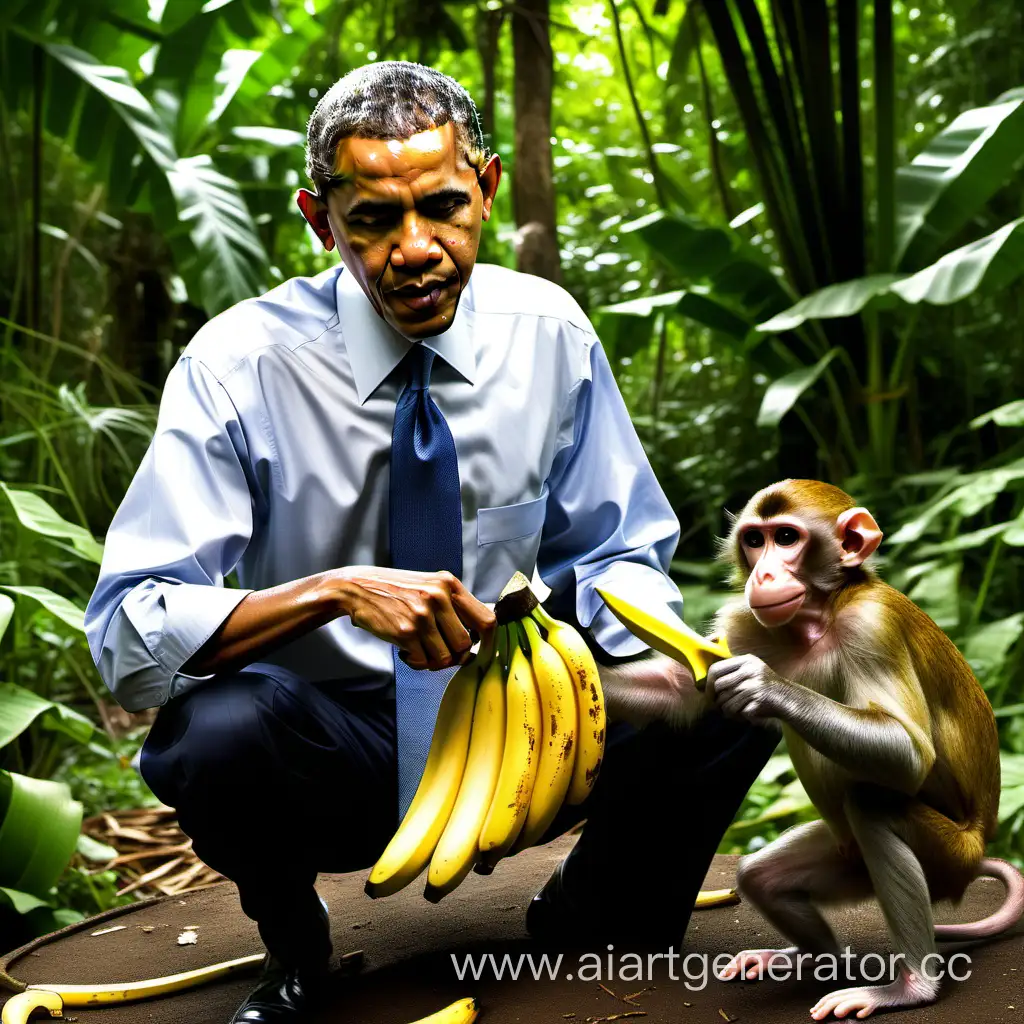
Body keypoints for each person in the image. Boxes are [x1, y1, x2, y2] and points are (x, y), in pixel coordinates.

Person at [84, 61, 778, 1024]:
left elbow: (617, 549)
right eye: (371, 220)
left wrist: (648, 652)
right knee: (215, 733)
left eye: (445, 206)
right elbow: (126, 630)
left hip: (523, 733)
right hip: (332, 748)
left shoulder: (551, 334)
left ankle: (596, 916)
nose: (416, 249)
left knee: (737, 685)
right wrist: (332, 591)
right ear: (321, 220)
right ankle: (296, 953)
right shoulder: (237, 364)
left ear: (486, 189)